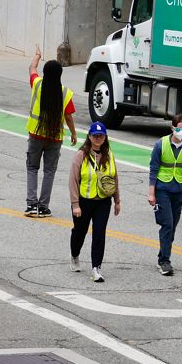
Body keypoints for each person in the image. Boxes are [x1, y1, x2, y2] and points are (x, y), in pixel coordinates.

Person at [26, 47, 76, 217]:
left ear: (45, 73)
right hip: (55, 138)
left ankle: (31, 205)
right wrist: (73, 134)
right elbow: (68, 117)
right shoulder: (65, 93)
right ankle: (43, 207)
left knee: (32, 168)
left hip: (35, 134)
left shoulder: (37, 84)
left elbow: (32, 69)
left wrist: (37, 56)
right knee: (49, 171)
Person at [67, 121, 120, 282]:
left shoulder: (109, 155)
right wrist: (75, 204)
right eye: (95, 135)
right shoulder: (81, 155)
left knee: (99, 233)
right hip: (84, 201)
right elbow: (73, 180)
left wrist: (117, 200)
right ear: (89, 137)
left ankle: (96, 268)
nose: (98, 138)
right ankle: (75, 254)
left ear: (105, 137)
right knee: (79, 232)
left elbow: (114, 178)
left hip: (103, 201)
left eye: (101, 136)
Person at [148, 114, 182, 276]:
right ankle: (165, 261)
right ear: (172, 128)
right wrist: (151, 193)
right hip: (162, 189)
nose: (181, 132)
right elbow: (153, 170)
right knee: (167, 224)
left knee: (172, 227)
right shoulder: (160, 144)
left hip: (179, 191)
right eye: (178, 129)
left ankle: (162, 256)